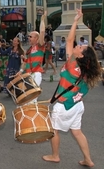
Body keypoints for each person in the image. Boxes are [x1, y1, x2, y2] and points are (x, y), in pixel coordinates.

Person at [42, 9, 101, 167]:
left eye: (81, 47)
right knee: (77, 132)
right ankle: (88, 159)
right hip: (77, 104)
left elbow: (69, 41)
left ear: (81, 55)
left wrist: (75, 21)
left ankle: (55, 155)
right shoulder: (83, 69)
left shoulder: (72, 63)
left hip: (65, 105)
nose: (78, 46)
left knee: (53, 129)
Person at [18, 11, 46, 103]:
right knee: (27, 98)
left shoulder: (40, 46)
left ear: (36, 38)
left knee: (32, 98)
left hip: (36, 73)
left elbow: (42, 32)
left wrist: (42, 20)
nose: (28, 38)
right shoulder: (29, 50)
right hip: (28, 74)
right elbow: (25, 62)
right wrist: (21, 71)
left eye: (30, 36)